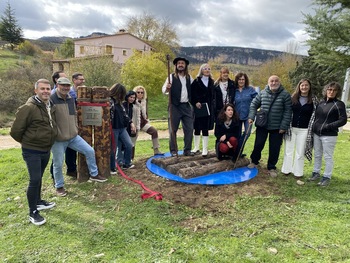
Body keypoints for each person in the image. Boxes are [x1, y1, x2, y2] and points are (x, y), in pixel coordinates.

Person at [10, 79, 58, 225]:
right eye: (42, 89)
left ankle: (38, 201)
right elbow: (15, 131)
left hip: (45, 149)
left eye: (48, 89)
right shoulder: (29, 107)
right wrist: (29, 142)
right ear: (35, 90)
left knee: (39, 177)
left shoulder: (50, 105)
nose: (46, 91)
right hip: (32, 150)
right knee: (34, 180)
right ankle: (33, 212)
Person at [51, 77, 107, 196]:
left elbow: (74, 116)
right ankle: (59, 186)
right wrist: (55, 133)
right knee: (58, 163)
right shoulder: (51, 99)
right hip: (58, 139)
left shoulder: (71, 98)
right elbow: (49, 120)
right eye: (63, 85)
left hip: (73, 136)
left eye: (67, 85)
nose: (65, 88)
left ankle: (94, 174)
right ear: (57, 85)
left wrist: (75, 128)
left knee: (89, 150)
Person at [247, 75, 292, 177]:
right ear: (268, 82)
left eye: (276, 81)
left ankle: (271, 167)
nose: (274, 83)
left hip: (277, 127)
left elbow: (288, 112)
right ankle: (254, 161)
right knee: (258, 144)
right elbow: (254, 104)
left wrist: (283, 126)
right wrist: (251, 117)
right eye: (272, 81)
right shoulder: (262, 93)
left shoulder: (285, 95)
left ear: (279, 82)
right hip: (262, 125)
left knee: (274, 148)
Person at [307, 82, 347, 186]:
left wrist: (329, 126)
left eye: (334, 90)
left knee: (328, 156)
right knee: (317, 154)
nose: (331, 92)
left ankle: (326, 177)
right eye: (329, 89)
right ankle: (316, 173)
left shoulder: (339, 104)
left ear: (337, 92)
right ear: (326, 90)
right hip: (317, 134)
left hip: (329, 135)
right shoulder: (321, 103)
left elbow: (343, 120)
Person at [281, 79, 318, 178]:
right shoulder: (292, 98)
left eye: (306, 85)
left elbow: (315, 115)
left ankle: (298, 172)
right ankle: (286, 170)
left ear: (309, 87)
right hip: (291, 128)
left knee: (300, 151)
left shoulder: (313, 100)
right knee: (288, 150)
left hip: (304, 130)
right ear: (299, 86)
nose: (304, 87)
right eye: (302, 85)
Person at [162, 57, 194, 157]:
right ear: (176, 65)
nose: (180, 65)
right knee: (173, 129)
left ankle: (187, 150)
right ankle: (173, 150)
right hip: (174, 106)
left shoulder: (190, 78)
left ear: (185, 65)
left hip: (186, 106)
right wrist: (167, 88)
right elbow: (164, 90)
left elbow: (195, 90)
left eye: (182, 63)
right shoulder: (171, 77)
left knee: (189, 128)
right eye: (179, 63)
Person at [63, 73, 86, 178]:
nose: (83, 81)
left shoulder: (86, 91)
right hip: (72, 124)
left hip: (84, 123)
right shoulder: (69, 93)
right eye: (80, 79)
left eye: (83, 79)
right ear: (74, 80)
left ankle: (84, 167)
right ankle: (71, 169)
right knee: (70, 149)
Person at [190, 63, 215, 156]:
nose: (207, 70)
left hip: (208, 108)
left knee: (205, 128)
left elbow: (213, 96)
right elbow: (191, 94)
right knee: (196, 128)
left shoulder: (212, 82)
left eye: (209, 68)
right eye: (205, 68)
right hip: (198, 108)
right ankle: (196, 147)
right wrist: (195, 102)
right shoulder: (196, 81)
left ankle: (205, 149)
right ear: (201, 70)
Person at [132, 85, 164, 156]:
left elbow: (145, 112)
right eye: (138, 92)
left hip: (143, 123)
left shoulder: (144, 101)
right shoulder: (132, 101)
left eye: (142, 92)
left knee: (154, 131)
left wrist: (146, 117)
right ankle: (130, 158)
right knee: (132, 142)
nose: (140, 94)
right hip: (135, 124)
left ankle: (156, 150)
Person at [110, 83, 135, 171]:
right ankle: (112, 167)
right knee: (113, 148)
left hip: (122, 128)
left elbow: (125, 114)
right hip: (113, 129)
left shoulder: (120, 103)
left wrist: (131, 123)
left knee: (129, 144)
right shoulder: (110, 102)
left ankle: (126, 163)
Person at [234, 72, 257, 156]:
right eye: (239, 79)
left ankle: (238, 151)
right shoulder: (234, 90)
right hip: (236, 117)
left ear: (245, 80)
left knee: (247, 134)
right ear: (237, 80)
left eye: (243, 79)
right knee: (237, 135)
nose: (241, 81)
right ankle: (237, 153)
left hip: (248, 116)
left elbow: (257, 100)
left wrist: (254, 112)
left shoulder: (250, 89)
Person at [123, 90, 137, 161]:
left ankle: (126, 159)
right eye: (131, 97)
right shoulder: (123, 104)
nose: (132, 99)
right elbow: (125, 116)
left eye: (134, 98)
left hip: (128, 126)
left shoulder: (131, 106)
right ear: (127, 97)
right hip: (123, 126)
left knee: (128, 143)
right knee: (123, 144)